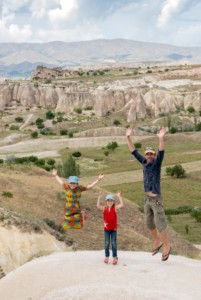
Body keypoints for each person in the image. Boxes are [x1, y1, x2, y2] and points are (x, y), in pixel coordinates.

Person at [126, 127, 171, 261]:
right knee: (148, 221)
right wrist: (128, 137)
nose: (149, 156)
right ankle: (156, 241)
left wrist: (161, 138)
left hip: (156, 198)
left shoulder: (156, 163)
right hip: (147, 198)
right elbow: (133, 151)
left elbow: (162, 151)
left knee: (160, 221)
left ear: (154, 155)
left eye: (152, 154)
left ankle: (167, 246)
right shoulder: (144, 163)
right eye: (148, 154)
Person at [97, 191, 124, 265]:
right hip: (106, 229)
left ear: (113, 201)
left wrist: (119, 196)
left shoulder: (115, 208)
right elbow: (98, 206)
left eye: (111, 200)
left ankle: (115, 257)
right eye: (108, 201)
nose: (109, 202)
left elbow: (121, 204)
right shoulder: (104, 208)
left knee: (113, 243)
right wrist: (99, 197)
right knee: (107, 243)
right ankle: (106, 256)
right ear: (106, 201)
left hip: (113, 229)